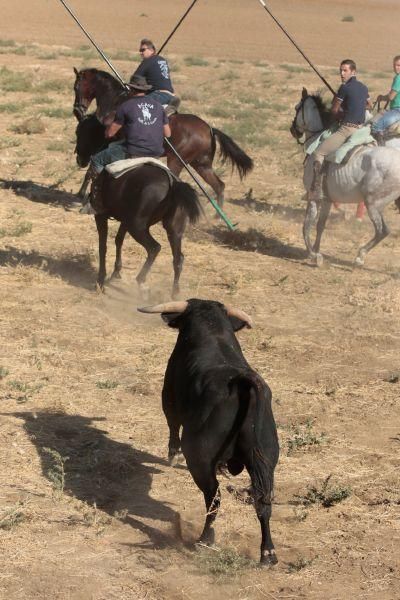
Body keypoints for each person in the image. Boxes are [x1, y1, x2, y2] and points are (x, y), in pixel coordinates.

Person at [82, 75, 171, 213]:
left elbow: (110, 133)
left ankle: (96, 201)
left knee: (97, 160)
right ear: (145, 90)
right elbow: (168, 133)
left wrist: (108, 130)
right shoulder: (158, 106)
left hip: (133, 150)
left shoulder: (126, 106)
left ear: (131, 89)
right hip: (156, 152)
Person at [310, 59, 371, 201]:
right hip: (361, 128)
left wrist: (342, 112)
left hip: (346, 129)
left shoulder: (344, 88)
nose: (342, 74)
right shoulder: (363, 87)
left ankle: (316, 189)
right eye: (341, 70)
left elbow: (333, 110)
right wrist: (354, 107)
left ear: (353, 71)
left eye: (345, 70)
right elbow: (369, 104)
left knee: (319, 152)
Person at [130, 38, 180, 113]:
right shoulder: (162, 60)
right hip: (170, 94)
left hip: (158, 94)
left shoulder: (147, 61)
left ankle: (165, 108)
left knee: (135, 107)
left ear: (152, 50)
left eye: (143, 50)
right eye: (140, 51)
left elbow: (135, 79)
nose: (141, 53)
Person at [371, 55, 400, 145]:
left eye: (399, 65)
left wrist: (382, 98)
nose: (396, 67)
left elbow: (391, 97)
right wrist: (383, 97)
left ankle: (380, 149)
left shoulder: (398, 78)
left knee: (376, 127)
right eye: (394, 65)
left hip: (397, 110)